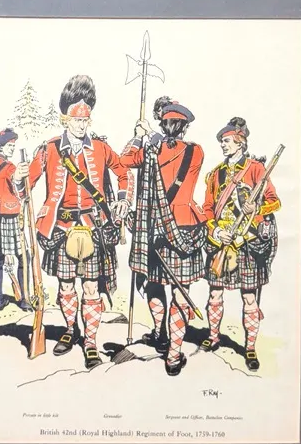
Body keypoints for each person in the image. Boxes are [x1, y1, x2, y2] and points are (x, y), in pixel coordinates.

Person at [15, 75, 133, 369]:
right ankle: (70, 330)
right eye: (76, 120)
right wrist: (19, 178)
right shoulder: (49, 149)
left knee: (91, 288)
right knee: (66, 287)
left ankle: (90, 342)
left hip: (93, 229)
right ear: (65, 119)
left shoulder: (101, 148)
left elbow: (124, 173)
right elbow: (27, 187)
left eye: (85, 120)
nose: (81, 125)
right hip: (61, 228)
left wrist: (122, 200)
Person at [122, 96, 206, 376]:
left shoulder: (149, 150)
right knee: (181, 294)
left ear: (162, 125)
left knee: (155, 285)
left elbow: (124, 159)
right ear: (185, 127)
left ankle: (160, 333)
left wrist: (139, 136)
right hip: (185, 227)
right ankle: (173, 353)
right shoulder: (196, 151)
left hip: (154, 228)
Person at [201, 117, 281, 370]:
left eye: (227, 141)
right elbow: (207, 208)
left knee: (249, 298)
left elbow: (275, 201)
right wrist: (216, 232)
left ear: (240, 143)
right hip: (222, 243)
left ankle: (250, 348)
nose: (223, 145)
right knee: (215, 293)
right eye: (222, 141)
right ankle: (213, 336)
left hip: (246, 242)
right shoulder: (215, 174)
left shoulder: (256, 169)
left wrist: (256, 208)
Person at [0, 128, 30, 311]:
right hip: (11, 218)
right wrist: (19, 179)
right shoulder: (10, 167)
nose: (12, 148)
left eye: (13, 146)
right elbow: (19, 189)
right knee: (24, 258)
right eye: (9, 145)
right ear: (0, 147)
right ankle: (24, 299)